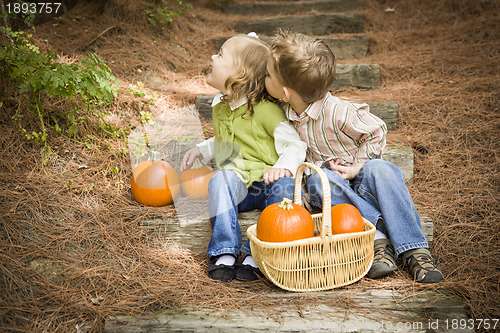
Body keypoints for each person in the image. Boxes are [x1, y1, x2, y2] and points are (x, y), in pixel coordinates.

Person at [265, 30, 443, 283]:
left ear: (285, 92)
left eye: (267, 75)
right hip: (337, 197)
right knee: (319, 180)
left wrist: (358, 166)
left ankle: (415, 249)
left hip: (362, 180)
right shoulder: (281, 115)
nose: (264, 77)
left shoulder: (339, 111)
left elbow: (376, 130)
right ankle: (378, 239)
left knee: (382, 169)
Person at [181, 34, 307, 282]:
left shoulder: (266, 110)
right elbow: (225, 140)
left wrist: (283, 168)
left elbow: (295, 143)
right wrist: (203, 150)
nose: (212, 57)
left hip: (268, 183)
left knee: (286, 187)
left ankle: (255, 253)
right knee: (220, 180)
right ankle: (224, 251)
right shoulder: (220, 109)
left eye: (220, 54)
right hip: (239, 186)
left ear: (240, 74)